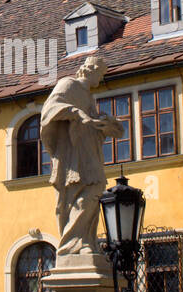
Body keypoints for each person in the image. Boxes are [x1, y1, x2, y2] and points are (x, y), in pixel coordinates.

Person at [39, 52, 124, 256]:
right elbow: (49, 110)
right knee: (81, 195)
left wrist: (104, 122)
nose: (101, 79)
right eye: (101, 74)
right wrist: (78, 114)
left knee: (94, 192)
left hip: (89, 152)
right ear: (91, 70)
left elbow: (97, 127)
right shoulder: (69, 84)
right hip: (73, 155)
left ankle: (86, 242)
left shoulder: (88, 96)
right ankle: (71, 244)